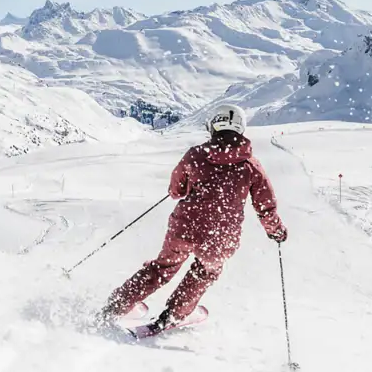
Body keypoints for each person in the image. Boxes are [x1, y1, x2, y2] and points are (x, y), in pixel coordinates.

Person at [99, 103, 287, 332]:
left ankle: (116, 306)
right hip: (221, 236)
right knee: (204, 272)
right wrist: (275, 230)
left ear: (213, 126)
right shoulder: (250, 166)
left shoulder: (196, 155)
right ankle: (172, 315)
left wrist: (191, 186)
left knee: (162, 268)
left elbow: (176, 190)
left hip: (185, 226)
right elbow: (265, 206)